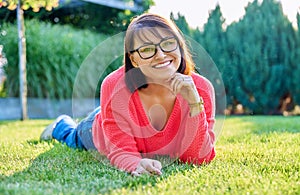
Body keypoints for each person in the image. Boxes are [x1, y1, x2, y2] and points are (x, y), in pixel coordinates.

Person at [40, 13, 216, 176]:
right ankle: (60, 125)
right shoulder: (114, 85)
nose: (161, 55)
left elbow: (197, 158)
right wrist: (135, 164)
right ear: (134, 60)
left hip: (118, 113)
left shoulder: (201, 89)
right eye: (147, 49)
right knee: (74, 138)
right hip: (100, 128)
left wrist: (194, 103)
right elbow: (121, 150)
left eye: (168, 43)